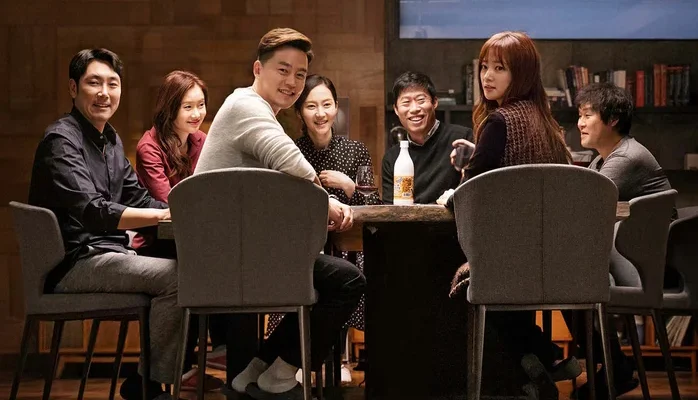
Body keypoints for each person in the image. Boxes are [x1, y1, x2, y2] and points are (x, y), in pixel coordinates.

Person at [194, 28, 366, 399]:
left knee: (333, 276)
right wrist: (328, 201)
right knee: (346, 280)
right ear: (258, 69)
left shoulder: (257, 109)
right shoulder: (246, 106)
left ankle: (257, 371)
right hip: (227, 259)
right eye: (283, 70)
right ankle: (283, 373)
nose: (292, 82)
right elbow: (292, 163)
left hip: (230, 251)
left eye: (300, 74)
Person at [28, 48, 178, 400]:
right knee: (178, 278)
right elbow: (94, 212)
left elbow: (139, 198)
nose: (104, 93)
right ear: (73, 88)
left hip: (108, 254)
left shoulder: (109, 138)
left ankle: (153, 379)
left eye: (113, 83)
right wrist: (161, 216)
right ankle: (148, 384)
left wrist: (185, 211)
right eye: (94, 83)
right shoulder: (61, 141)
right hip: (73, 263)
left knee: (196, 267)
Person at [444, 31, 574, 400]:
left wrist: (455, 186)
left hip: (509, 257)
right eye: (484, 67)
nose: (487, 76)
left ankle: (537, 361)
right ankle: (543, 361)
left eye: (499, 68)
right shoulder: (546, 122)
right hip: (551, 254)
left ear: (523, 73)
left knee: (452, 274)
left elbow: (468, 194)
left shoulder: (500, 121)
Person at [570, 81, 676, 399]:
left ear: (613, 119)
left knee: (570, 277)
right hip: (637, 258)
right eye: (579, 115)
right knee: (570, 277)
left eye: (588, 115)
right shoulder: (603, 160)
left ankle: (614, 366)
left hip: (656, 268)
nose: (580, 123)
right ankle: (614, 365)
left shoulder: (626, 158)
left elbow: (580, 206)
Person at [134, 70, 228, 392]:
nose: (197, 114)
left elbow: (214, 190)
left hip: (194, 236)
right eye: (188, 107)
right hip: (157, 241)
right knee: (201, 264)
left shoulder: (201, 140)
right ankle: (205, 356)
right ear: (170, 108)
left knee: (223, 256)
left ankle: (213, 354)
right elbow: (168, 202)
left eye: (201, 105)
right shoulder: (149, 146)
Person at [381, 71, 473, 204]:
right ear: (396, 109)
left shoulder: (461, 140)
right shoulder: (392, 158)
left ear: (434, 102)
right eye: (406, 103)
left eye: (421, 100)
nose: (414, 109)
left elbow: (474, 192)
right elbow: (390, 209)